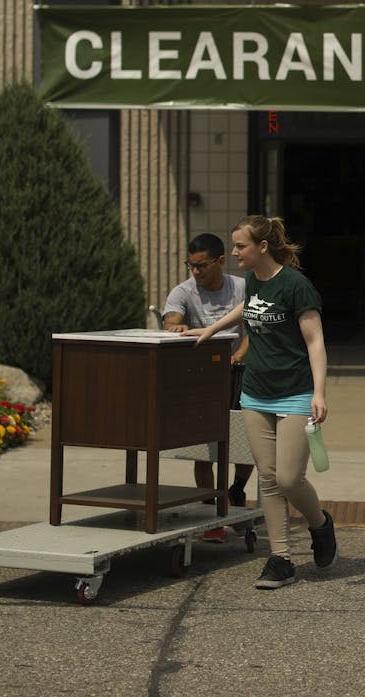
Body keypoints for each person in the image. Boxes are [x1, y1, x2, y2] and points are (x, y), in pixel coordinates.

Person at [194, 215, 336, 589]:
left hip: (295, 392)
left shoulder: (296, 286)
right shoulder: (253, 280)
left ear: (262, 247)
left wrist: (319, 393)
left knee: (290, 478)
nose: (234, 252)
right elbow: (249, 308)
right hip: (255, 392)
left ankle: (320, 524)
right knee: (269, 480)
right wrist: (211, 328)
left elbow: (315, 342)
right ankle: (281, 559)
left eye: (240, 246)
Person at [159, 232, 254, 542]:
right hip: (202, 377)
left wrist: (239, 355)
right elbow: (171, 319)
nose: (196, 272)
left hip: (238, 373)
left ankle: (236, 491)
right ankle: (209, 508)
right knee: (204, 444)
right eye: (192, 265)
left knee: (244, 439)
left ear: (220, 262)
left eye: (202, 266)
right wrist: (176, 326)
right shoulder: (184, 292)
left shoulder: (241, 287)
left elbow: (256, 327)